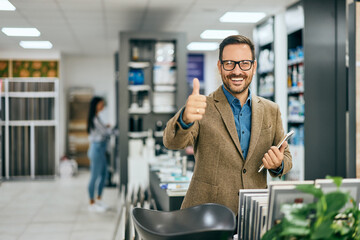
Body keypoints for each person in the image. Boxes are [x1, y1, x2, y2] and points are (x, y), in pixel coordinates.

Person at [163, 35, 292, 214]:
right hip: (207, 214)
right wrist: (185, 118)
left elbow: (286, 156)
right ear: (219, 66)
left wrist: (278, 164)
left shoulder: (271, 110)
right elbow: (173, 142)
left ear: (254, 67)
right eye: (229, 63)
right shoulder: (203, 106)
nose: (237, 71)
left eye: (244, 63)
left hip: (254, 211)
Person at [86, 96, 114, 212]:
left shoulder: (97, 118)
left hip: (101, 149)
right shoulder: (94, 119)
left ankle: (98, 200)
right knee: (94, 176)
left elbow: (102, 129)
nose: (103, 106)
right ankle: (92, 203)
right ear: (96, 105)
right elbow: (105, 132)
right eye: (101, 104)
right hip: (96, 150)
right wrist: (111, 129)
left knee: (104, 174)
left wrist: (106, 127)